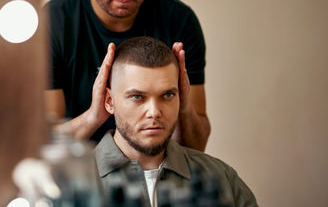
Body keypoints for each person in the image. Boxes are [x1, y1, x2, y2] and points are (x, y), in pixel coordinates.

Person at [45, 0, 210, 151]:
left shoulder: (180, 22)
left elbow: (196, 147)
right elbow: (46, 147)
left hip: (157, 176)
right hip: (80, 174)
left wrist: (184, 108)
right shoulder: (53, 25)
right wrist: (94, 116)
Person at [95, 37, 258, 207]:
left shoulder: (223, 180)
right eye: (137, 97)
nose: (154, 112)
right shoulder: (77, 185)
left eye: (167, 95)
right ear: (109, 101)